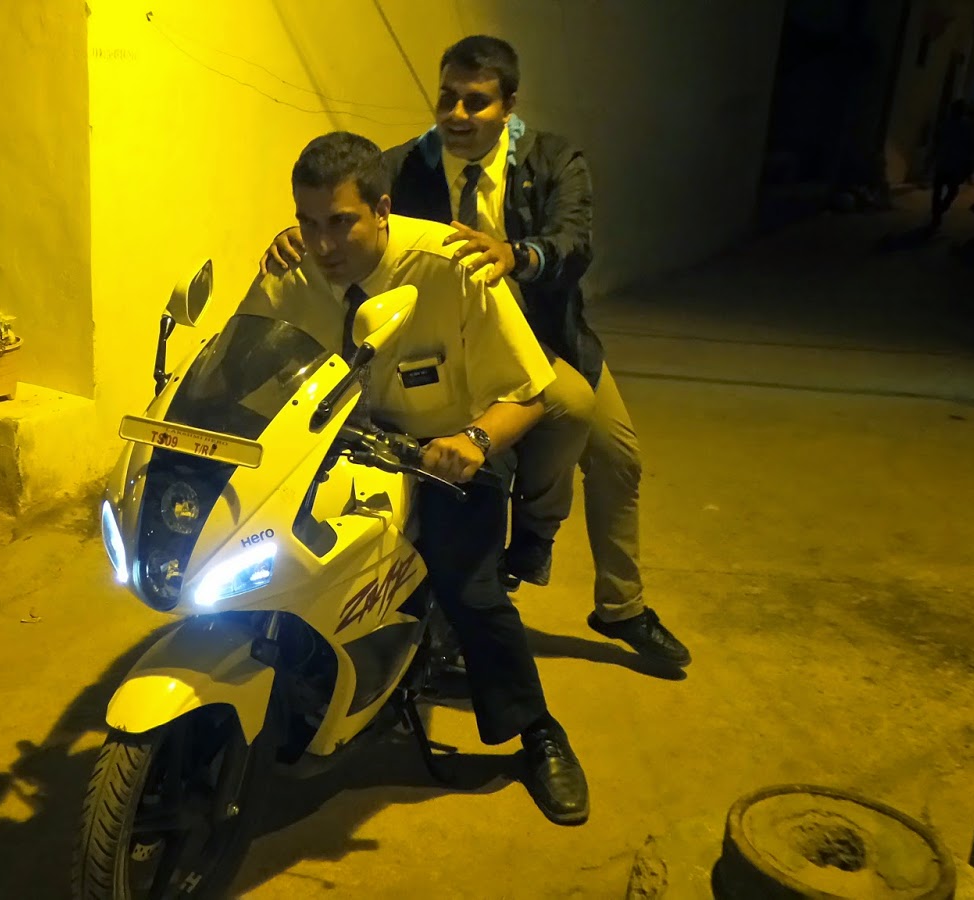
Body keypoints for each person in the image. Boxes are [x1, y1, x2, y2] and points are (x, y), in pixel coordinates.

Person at [263, 35, 690, 667]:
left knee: (603, 440)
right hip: (449, 342)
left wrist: (517, 254)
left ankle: (604, 593)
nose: (458, 115)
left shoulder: (554, 161)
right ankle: (443, 610)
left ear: (509, 106)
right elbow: (347, 210)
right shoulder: (404, 166)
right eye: (447, 99)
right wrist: (298, 235)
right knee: (456, 454)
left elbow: (573, 243)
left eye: (476, 101)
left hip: (543, 334)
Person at [241, 131, 590, 825]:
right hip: (331, 447)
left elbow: (529, 392)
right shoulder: (294, 266)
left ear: (382, 210)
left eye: (340, 221)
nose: (322, 243)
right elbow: (244, 358)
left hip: (447, 449)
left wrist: (474, 441)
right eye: (308, 221)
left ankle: (537, 731)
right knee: (266, 561)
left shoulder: (450, 266)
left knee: (470, 589)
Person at [929, 100, 974, 232]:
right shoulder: (966, 127)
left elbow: (936, 142)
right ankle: (940, 210)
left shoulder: (945, 124)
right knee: (952, 190)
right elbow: (971, 147)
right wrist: (968, 165)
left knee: (938, 191)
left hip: (943, 162)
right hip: (955, 164)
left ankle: (936, 214)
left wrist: (932, 158)